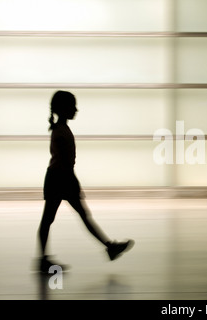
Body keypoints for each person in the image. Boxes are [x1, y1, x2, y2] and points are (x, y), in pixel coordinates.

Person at [36, 90, 133, 273]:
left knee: (53, 219)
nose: (76, 110)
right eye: (73, 106)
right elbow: (65, 163)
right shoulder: (61, 132)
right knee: (61, 218)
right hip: (61, 179)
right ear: (64, 109)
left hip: (57, 178)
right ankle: (109, 247)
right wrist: (73, 183)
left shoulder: (60, 129)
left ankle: (44, 259)